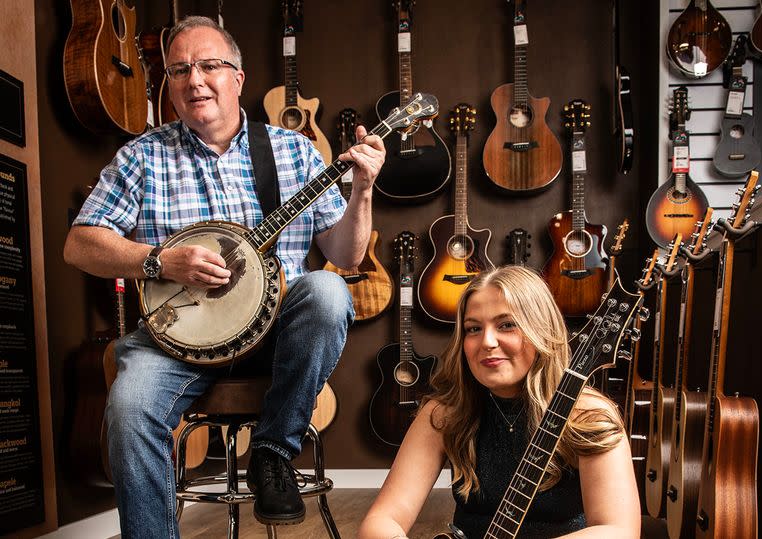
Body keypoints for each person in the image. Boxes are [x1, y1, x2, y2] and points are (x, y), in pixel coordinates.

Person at [63, 15, 385, 537]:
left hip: (272, 333)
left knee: (326, 289)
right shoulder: (142, 156)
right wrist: (158, 261)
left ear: (239, 77)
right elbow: (80, 244)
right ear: (167, 85)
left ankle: (273, 451)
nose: (195, 80)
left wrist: (363, 190)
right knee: (128, 407)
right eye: (179, 70)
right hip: (175, 341)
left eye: (209, 65)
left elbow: (345, 254)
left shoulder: (292, 150)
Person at [359, 266, 640, 539]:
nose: (487, 341)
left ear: (540, 330)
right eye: (473, 329)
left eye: (506, 325)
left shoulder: (589, 415)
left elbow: (618, 530)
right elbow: (383, 519)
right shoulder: (446, 413)